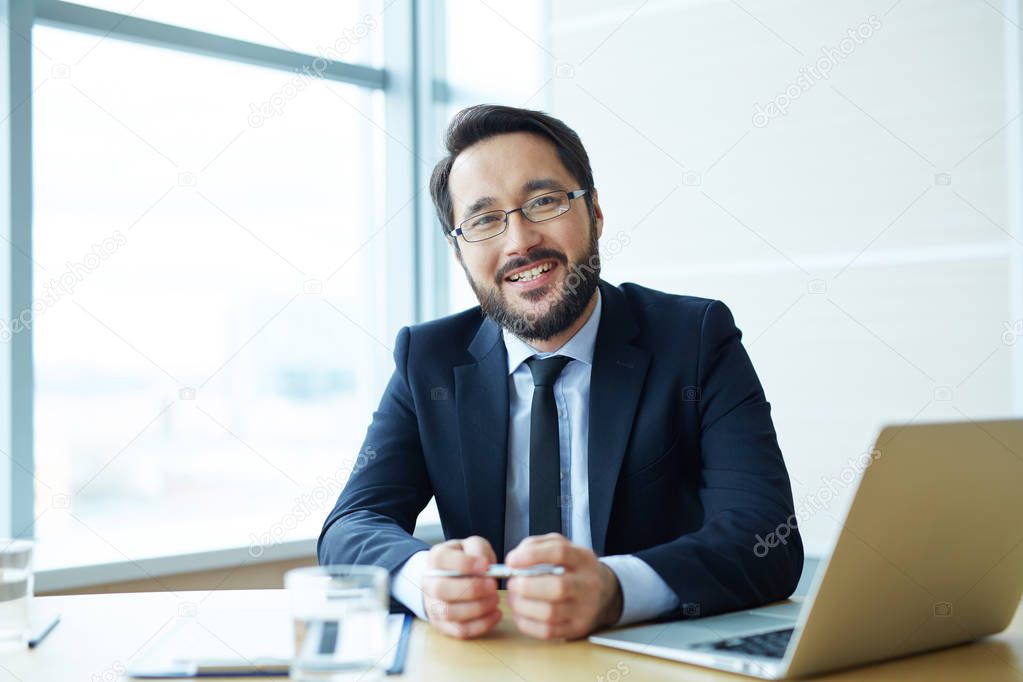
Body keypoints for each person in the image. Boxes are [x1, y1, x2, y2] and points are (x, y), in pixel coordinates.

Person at [318, 104, 803, 641]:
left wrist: (614, 589)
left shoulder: (694, 338)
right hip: (490, 662)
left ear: (594, 212)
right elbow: (350, 525)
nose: (519, 241)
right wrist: (423, 578)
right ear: (459, 253)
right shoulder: (428, 359)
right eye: (483, 220)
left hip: (648, 659)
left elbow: (769, 538)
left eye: (543, 201)